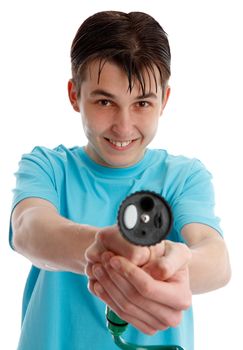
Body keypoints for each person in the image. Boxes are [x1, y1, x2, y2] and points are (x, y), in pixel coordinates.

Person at [9, 11, 231, 350]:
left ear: (164, 101)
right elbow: (29, 229)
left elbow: (216, 260)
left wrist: (172, 263)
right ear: (74, 95)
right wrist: (106, 250)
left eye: (142, 103)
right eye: (104, 101)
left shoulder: (183, 177)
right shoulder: (47, 166)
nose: (124, 127)